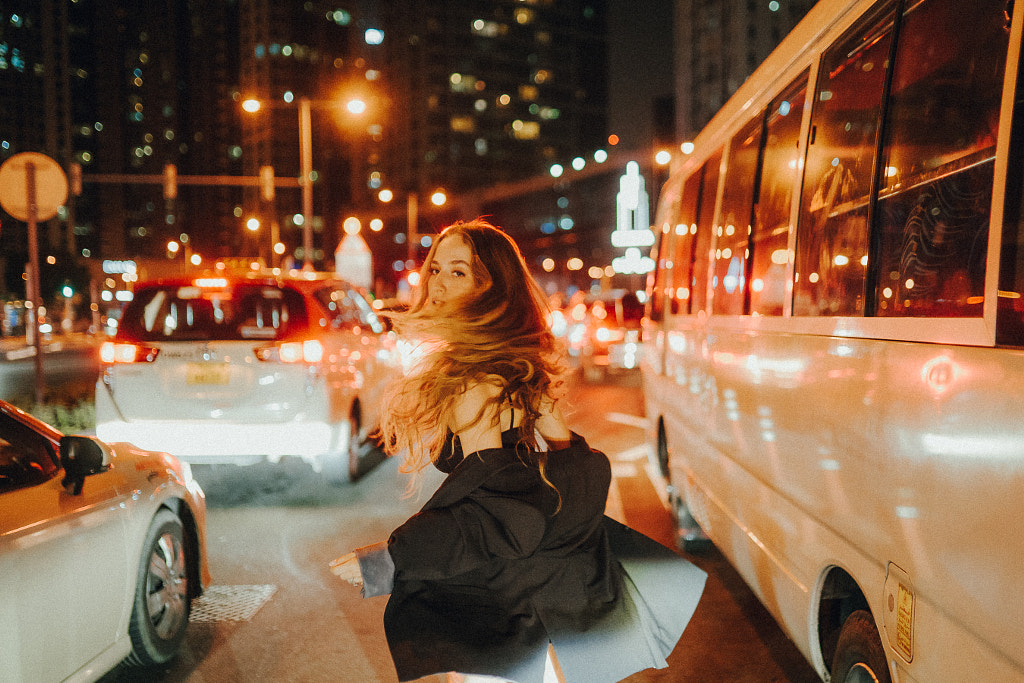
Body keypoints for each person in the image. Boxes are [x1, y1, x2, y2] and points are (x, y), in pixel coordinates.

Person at [330, 219, 706, 683]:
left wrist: (390, 559)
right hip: (539, 586)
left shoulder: (476, 381)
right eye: (436, 269)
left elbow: (498, 511)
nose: (438, 284)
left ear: (491, 288)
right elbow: (576, 469)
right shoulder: (516, 364)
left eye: (459, 272)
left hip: (500, 598)